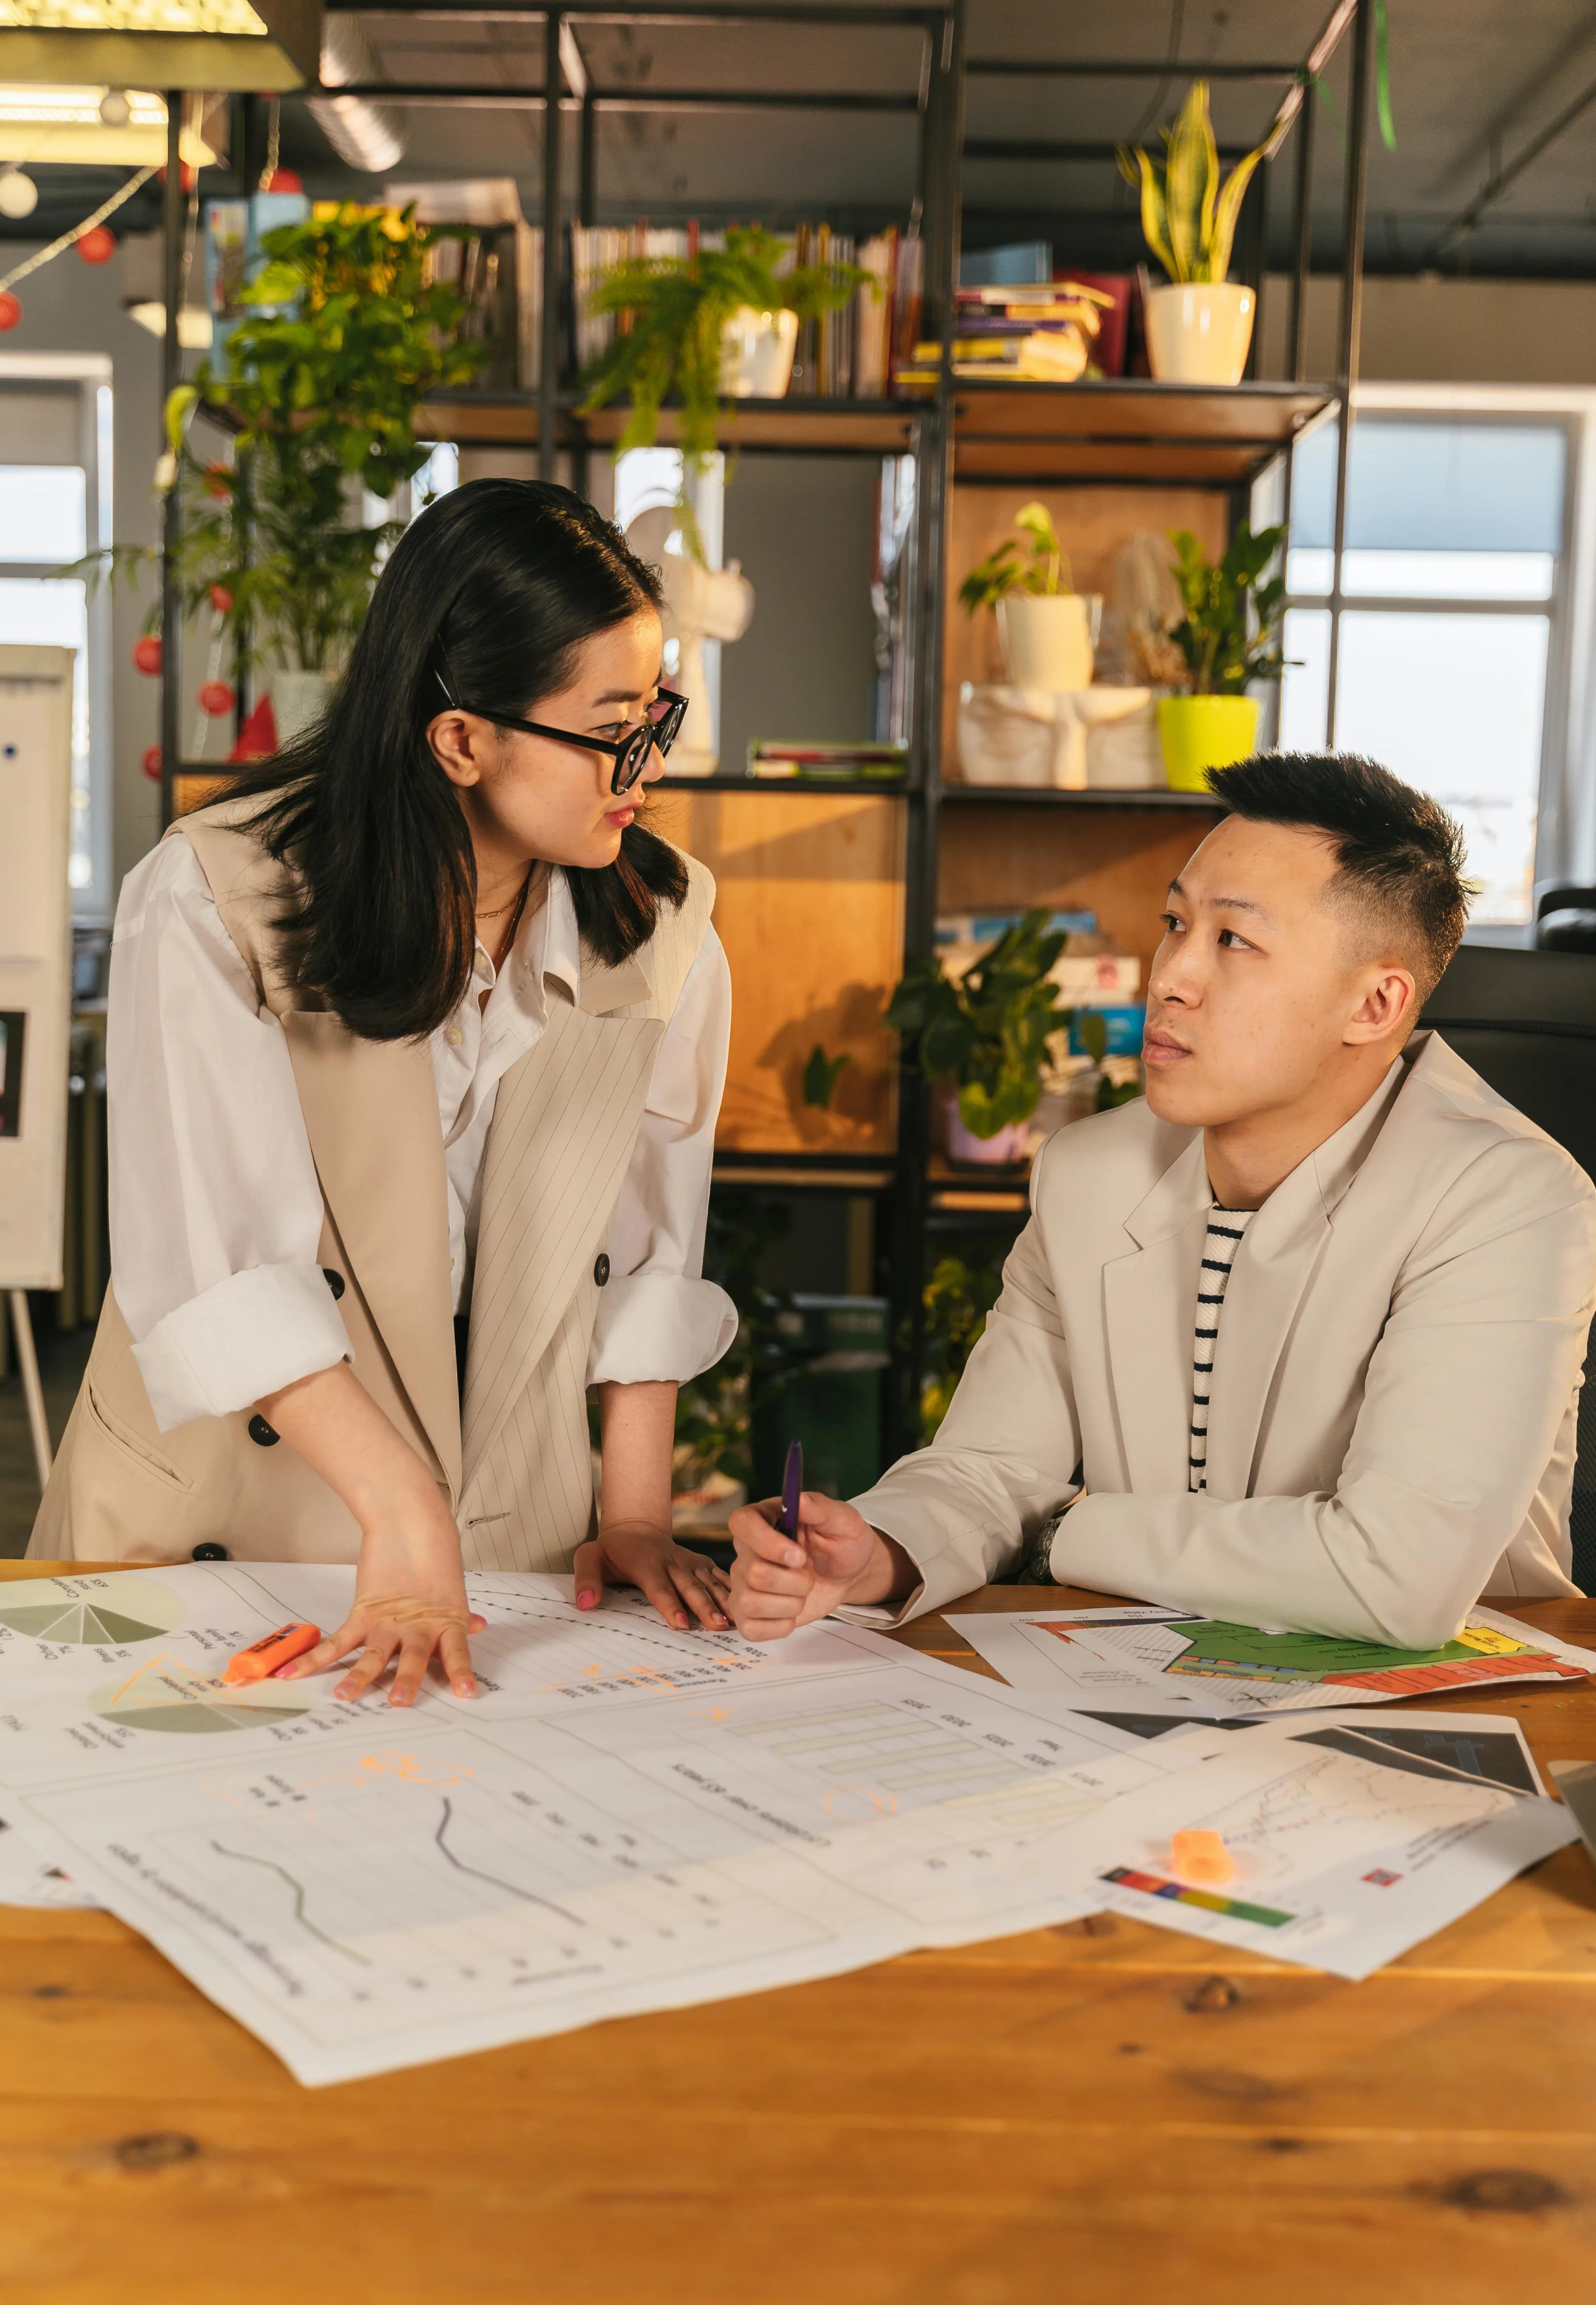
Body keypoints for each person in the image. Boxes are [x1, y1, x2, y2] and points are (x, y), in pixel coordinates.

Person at [33, 480, 740, 1706]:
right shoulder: (216, 896)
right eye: (612, 729)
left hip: (511, 1543)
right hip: (232, 1518)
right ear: (461, 740)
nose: (649, 765)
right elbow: (216, 1272)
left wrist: (632, 1514)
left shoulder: (664, 920)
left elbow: (645, 1254)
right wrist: (403, 1505)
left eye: (656, 716)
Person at [729, 753, 1596, 1649]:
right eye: (1175, 923)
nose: (1170, 976)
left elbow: (1397, 1576)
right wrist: (884, 1551)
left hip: (1456, 1701)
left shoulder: (1510, 1200)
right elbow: (991, 1466)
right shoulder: (1089, 1173)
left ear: (1376, 1006)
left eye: (1234, 940)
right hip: (1152, 1665)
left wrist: (1066, 1535)